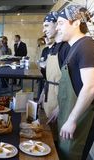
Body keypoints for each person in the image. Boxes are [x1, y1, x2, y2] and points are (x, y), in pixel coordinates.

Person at [52, 5, 94, 160]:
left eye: (61, 23)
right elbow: (75, 85)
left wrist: (72, 119)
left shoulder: (87, 47)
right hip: (73, 114)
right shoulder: (74, 47)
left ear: (76, 22)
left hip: (83, 118)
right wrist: (59, 108)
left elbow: (90, 88)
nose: (57, 28)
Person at [40, 11, 70, 142]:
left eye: (46, 25)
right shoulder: (53, 48)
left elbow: (70, 84)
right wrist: (42, 93)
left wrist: (60, 107)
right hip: (49, 96)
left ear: (56, 24)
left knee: (56, 142)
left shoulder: (66, 48)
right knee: (49, 136)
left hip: (59, 101)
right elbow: (50, 77)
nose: (43, 29)